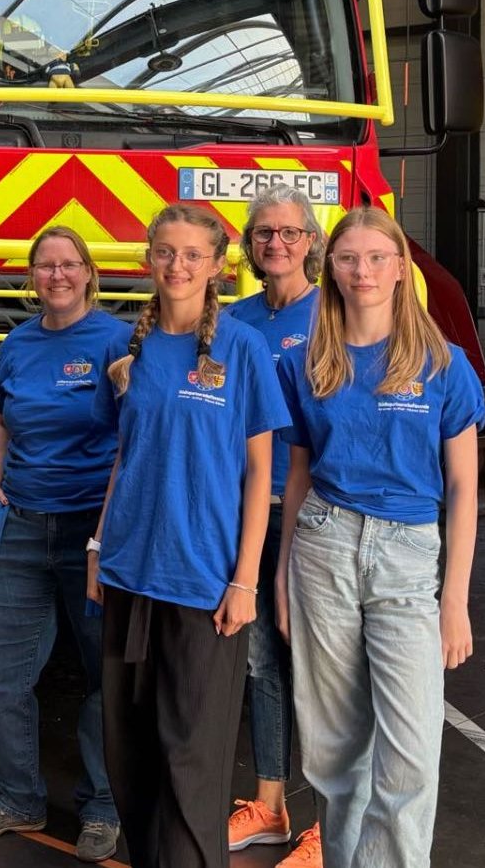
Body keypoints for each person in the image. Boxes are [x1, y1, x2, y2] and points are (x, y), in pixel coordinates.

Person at [275, 207, 483, 868]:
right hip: (322, 546)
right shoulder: (308, 362)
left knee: (411, 755)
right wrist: (281, 577)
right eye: (348, 258)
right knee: (335, 753)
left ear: (400, 268)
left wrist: (454, 600)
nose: (361, 271)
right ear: (330, 270)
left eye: (375, 257)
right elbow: (299, 475)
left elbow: (465, 489)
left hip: (407, 556)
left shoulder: (443, 365)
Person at [86, 204, 289, 868]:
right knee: (131, 754)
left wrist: (245, 581)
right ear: (149, 259)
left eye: (193, 254)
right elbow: (124, 455)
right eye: (166, 253)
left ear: (218, 266)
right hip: (128, 572)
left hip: (204, 581)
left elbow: (259, 472)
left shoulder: (242, 348)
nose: (177, 266)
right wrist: (98, 547)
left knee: (191, 760)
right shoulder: (127, 350)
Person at [0, 226, 127, 862]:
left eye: (68, 265)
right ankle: (18, 797)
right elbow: (3, 420)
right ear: (32, 277)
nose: (57, 275)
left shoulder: (117, 340)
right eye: (45, 266)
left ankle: (104, 805)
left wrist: (106, 531)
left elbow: (134, 436)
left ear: (88, 273)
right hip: (23, 524)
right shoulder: (20, 343)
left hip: (93, 529)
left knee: (106, 671)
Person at [221, 186, 326, 866]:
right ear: (250, 245)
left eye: (290, 232)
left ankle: (329, 822)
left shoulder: (335, 313)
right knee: (262, 662)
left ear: (311, 241)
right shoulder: (235, 320)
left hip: (315, 512)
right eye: (264, 233)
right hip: (252, 510)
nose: (276, 243)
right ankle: (270, 806)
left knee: (320, 668)